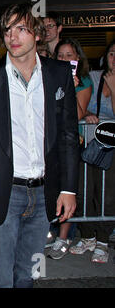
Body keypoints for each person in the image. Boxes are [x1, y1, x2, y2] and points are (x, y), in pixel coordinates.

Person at [0, 3, 79, 288]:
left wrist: (68, 188)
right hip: (2, 191)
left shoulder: (59, 74)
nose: (12, 37)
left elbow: (68, 135)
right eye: (7, 30)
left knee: (29, 275)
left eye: (21, 29)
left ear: (37, 35)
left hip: (45, 192)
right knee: (0, 277)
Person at [46, 38, 94, 260]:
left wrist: (70, 89)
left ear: (77, 58)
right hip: (49, 143)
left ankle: (63, 238)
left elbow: (76, 115)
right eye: (60, 55)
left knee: (67, 189)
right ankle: (47, 232)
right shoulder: (49, 78)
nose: (64, 59)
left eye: (69, 55)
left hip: (70, 144)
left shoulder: (83, 81)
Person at [69, 40, 115, 264]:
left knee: (107, 194)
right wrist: (88, 114)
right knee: (84, 189)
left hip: (112, 146)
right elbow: (82, 105)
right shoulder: (95, 77)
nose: (114, 58)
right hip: (90, 142)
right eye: (112, 53)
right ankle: (87, 236)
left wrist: (114, 88)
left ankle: (103, 241)